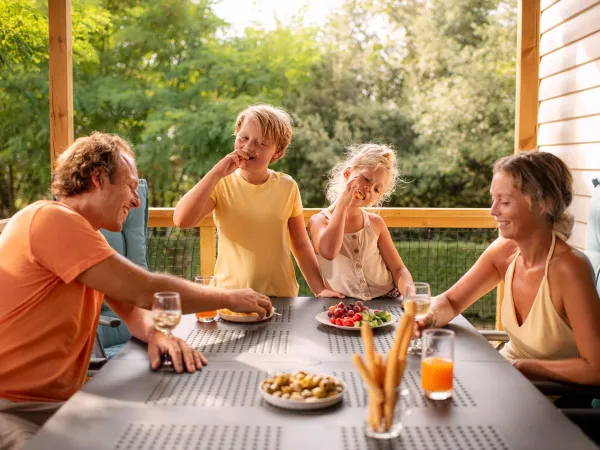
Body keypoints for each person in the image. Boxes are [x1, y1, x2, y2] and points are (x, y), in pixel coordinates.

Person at [0, 132, 272, 449]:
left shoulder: (87, 239)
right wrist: (229, 297)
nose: (136, 200)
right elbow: (145, 290)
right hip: (11, 409)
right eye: (131, 185)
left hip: (60, 406)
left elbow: (131, 306)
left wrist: (157, 333)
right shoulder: (50, 219)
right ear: (98, 178)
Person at [415, 151, 600, 386]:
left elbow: (595, 369)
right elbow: (451, 302)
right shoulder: (504, 251)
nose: (493, 211)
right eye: (494, 199)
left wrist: (523, 366)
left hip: (549, 398)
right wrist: (426, 319)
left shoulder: (570, 269)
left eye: (504, 201)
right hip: (506, 378)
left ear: (544, 203)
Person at [173, 104, 341, 298]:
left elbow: (301, 245)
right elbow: (182, 220)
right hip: (230, 296)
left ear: (277, 153)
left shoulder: (288, 186)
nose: (248, 147)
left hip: (280, 295)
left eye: (262, 143)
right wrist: (215, 173)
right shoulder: (220, 183)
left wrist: (320, 289)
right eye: (243, 138)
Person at [308, 143, 413, 300]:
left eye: (377, 189)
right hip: (344, 304)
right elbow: (329, 252)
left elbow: (398, 269)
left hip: (387, 298)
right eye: (366, 178)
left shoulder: (375, 223)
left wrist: (410, 296)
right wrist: (343, 205)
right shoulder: (319, 221)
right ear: (348, 173)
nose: (369, 188)